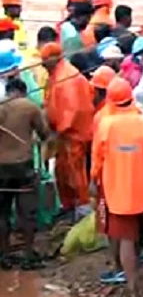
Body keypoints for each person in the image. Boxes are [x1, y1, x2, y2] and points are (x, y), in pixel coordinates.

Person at [91, 77, 143, 297]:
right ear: (131, 98)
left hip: (118, 195)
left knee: (126, 239)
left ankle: (133, 289)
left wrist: (94, 182)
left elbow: (96, 162)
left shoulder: (105, 126)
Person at [0, 76, 51, 270]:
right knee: (27, 213)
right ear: (23, 91)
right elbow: (45, 134)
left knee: (2, 213)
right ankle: (29, 255)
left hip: (1, 169)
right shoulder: (29, 107)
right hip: (24, 166)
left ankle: (4, 255)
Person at [41, 42, 93, 217]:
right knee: (62, 171)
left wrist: (59, 130)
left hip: (72, 133)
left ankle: (83, 207)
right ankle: (69, 204)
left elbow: (72, 109)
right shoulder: (57, 74)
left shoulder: (67, 77)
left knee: (75, 172)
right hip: (63, 134)